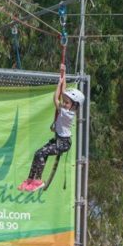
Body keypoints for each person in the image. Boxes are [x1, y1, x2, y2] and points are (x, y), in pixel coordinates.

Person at [19, 62, 82, 192]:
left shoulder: (67, 113)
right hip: (58, 140)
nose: (64, 104)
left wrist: (59, 84)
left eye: (67, 102)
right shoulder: (68, 110)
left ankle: (38, 180)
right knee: (38, 153)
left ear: (74, 105)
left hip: (63, 143)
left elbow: (56, 98)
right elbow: (64, 94)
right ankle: (30, 179)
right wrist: (63, 75)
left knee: (42, 153)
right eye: (64, 102)